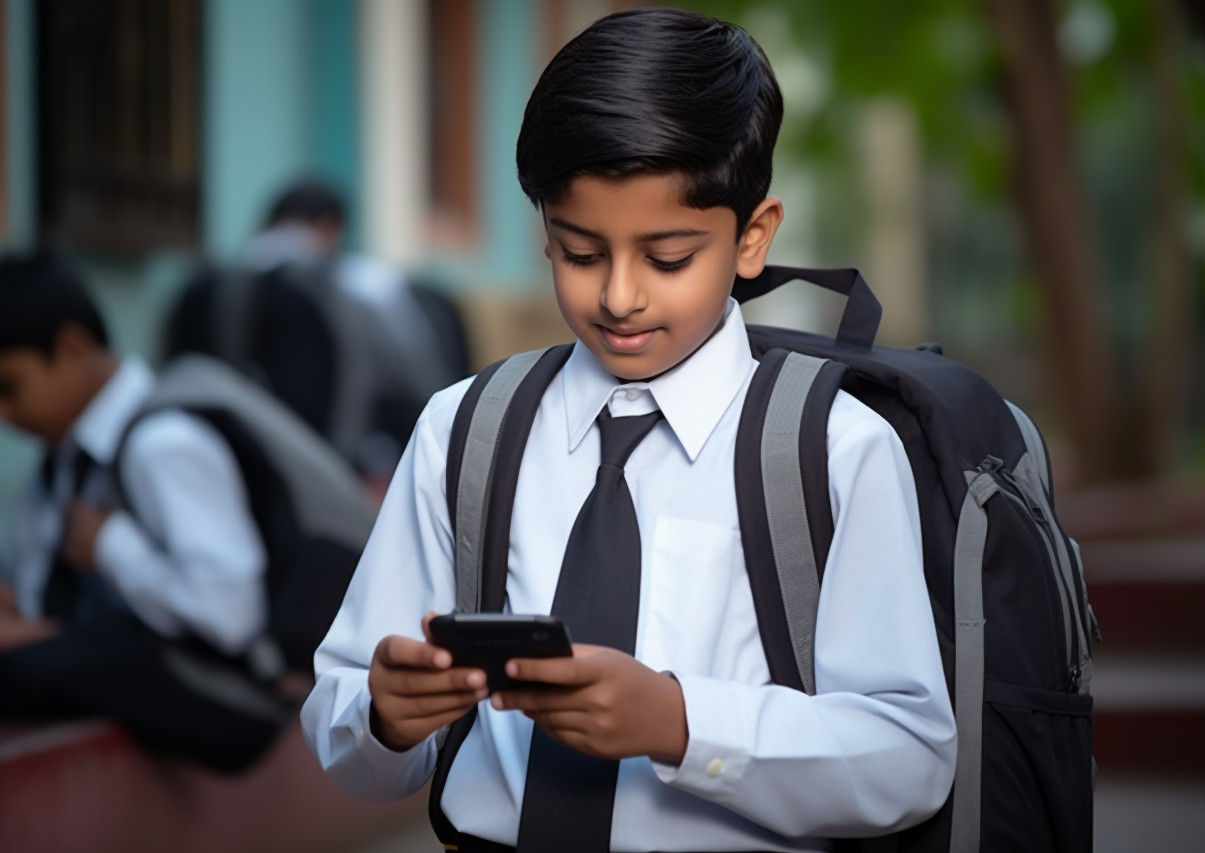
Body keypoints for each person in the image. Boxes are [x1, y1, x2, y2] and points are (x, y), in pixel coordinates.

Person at [301, 7, 956, 852]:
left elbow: (910, 756)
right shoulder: (463, 431)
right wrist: (384, 714)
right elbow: (346, 721)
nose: (618, 296)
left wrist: (681, 722)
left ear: (752, 237)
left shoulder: (833, 449)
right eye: (580, 252)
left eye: (668, 258)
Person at [0, 251, 289, 773]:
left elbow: (230, 614)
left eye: (9, 388)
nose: (4, 414)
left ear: (70, 349)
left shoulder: (162, 441)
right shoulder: (61, 460)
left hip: (228, 699)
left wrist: (112, 546)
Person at [165, 179, 471, 487]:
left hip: (213, 462)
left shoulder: (202, 284)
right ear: (329, 226)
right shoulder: (359, 285)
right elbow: (409, 378)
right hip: (321, 466)